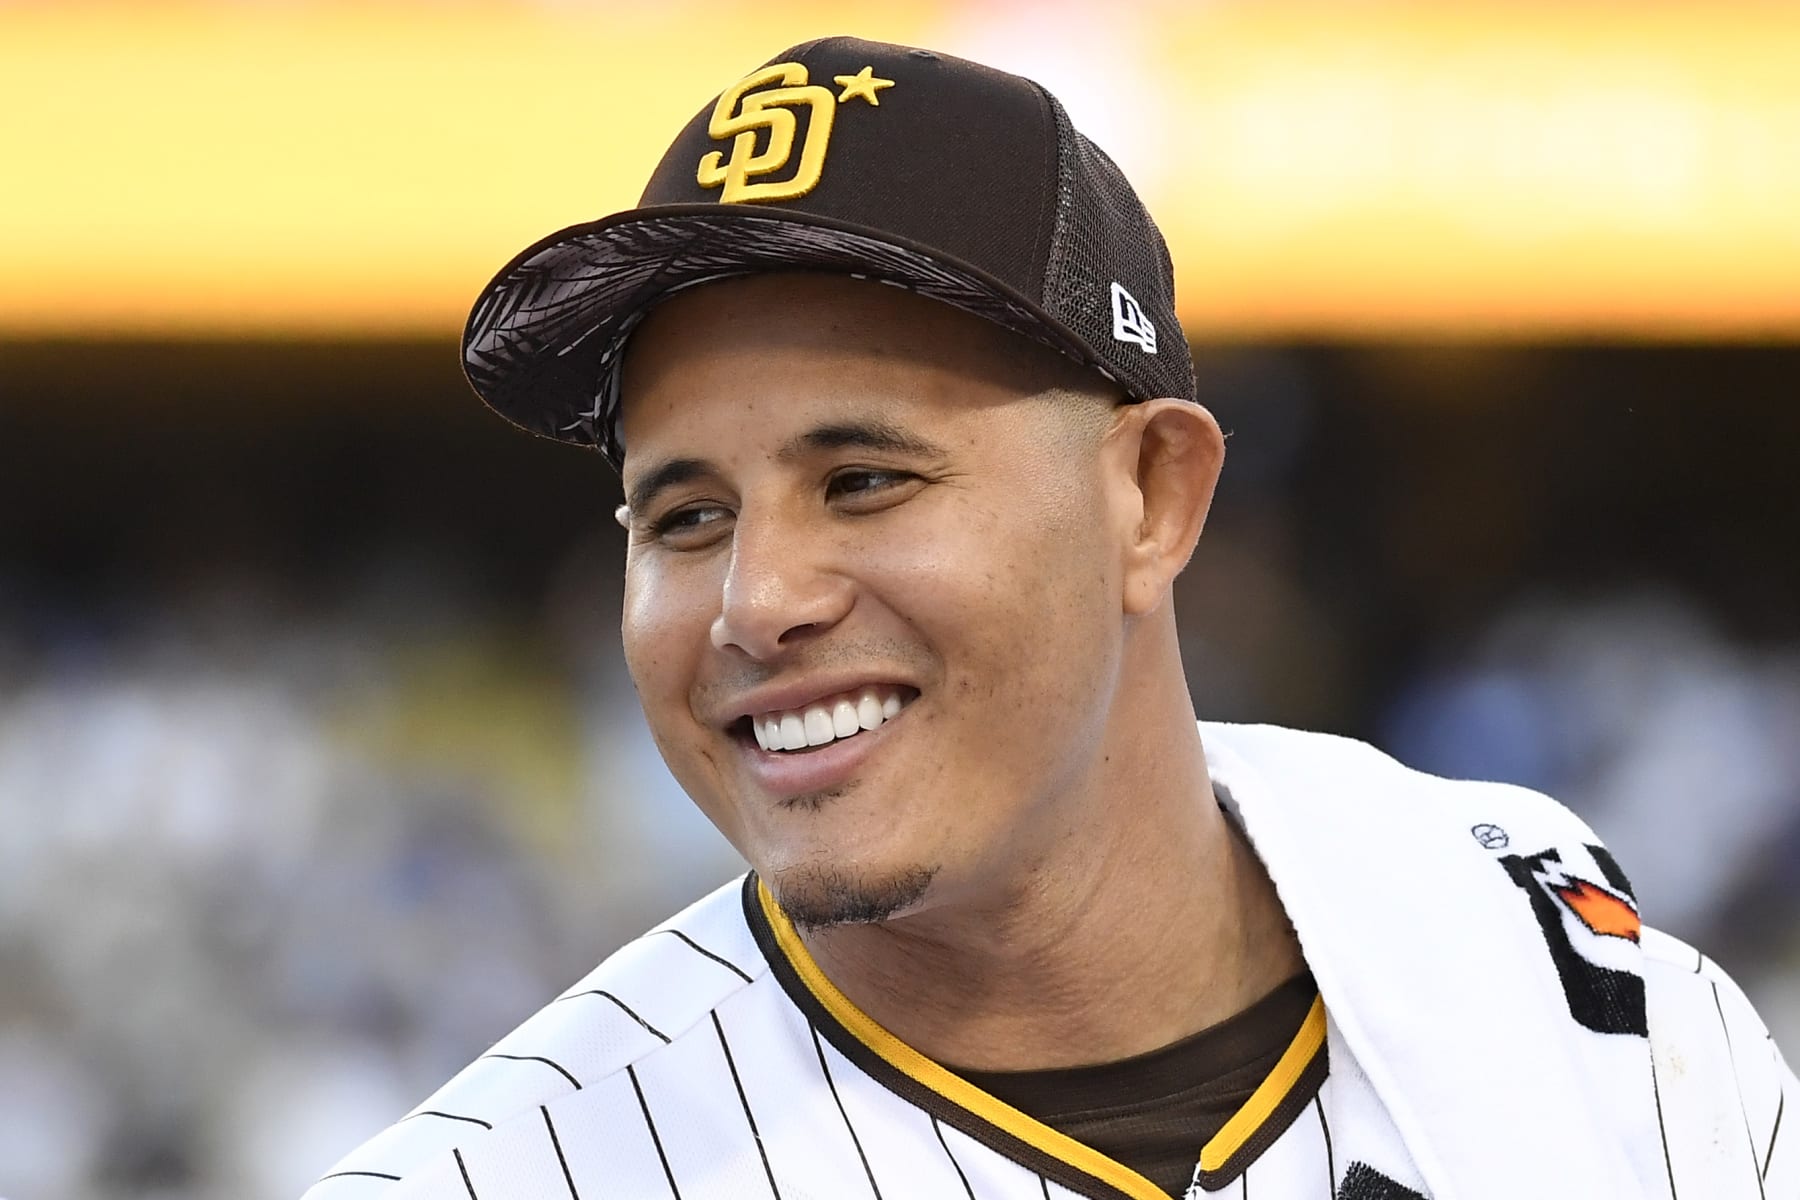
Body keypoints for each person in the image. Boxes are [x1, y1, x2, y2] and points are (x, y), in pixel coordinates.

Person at [303, 36, 1794, 1200]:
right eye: (685, 517)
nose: (758, 603)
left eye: (866, 480)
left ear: (1152, 494)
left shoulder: (1580, 1007)